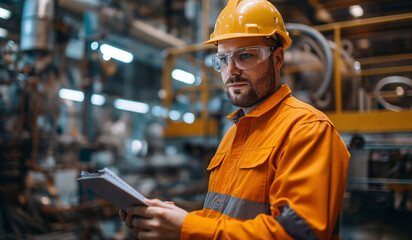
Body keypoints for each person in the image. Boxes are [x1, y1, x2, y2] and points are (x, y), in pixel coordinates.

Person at [119, 0, 350, 239]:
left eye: (246, 56)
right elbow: (226, 220)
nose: (231, 70)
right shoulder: (233, 134)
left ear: (278, 58)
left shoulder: (307, 130)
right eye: (223, 59)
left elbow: (298, 234)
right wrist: (173, 219)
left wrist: (187, 228)